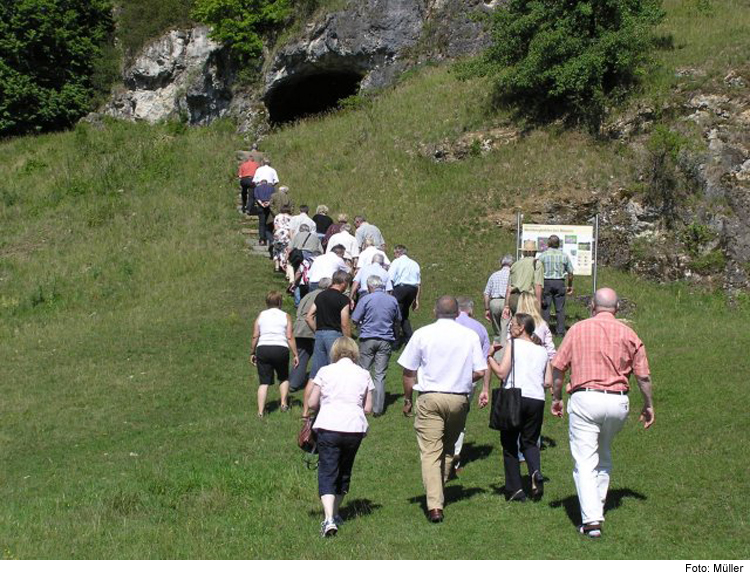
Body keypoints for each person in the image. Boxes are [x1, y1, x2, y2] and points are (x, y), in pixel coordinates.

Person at [550, 287, 654, 538]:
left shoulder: (577, 330)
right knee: (603, 454)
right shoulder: (629, 334)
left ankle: (592, 520)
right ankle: (596, 504)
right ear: (617, 309)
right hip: (617, 402)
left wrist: (556, 397)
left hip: (586, 397)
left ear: (592, 307)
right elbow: (643, 375)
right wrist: (648, 403)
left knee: (585, 460)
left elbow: (558, 367)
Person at [398, 296, 487, 523]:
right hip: (458, 398)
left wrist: (407, 399)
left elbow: (409, 371)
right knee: (448, 448)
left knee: (430, 451)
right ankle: (437, 493)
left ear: (435, 311)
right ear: (457, 313)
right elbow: (480, 370)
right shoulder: (469, 336)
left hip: (430, 397)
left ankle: (435, 504)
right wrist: (461, 378)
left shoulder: (423, 334)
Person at [305, 336, 374, 537]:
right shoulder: (364, 374)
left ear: (334, 352)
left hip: (329, 426)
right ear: (354, 353)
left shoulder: (325, 371)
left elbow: (311, 402)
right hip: (354, 428)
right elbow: (368, 408)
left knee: (327, 470)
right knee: (344, 470)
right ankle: (335, 514)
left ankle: (328, 519)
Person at [485, 313, 551, 502]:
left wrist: (489, 357)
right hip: (537, 399)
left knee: (509, 443)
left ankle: (515, 489)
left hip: (515, 397)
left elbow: (501, 372)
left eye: (512, 325)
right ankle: (535, 471)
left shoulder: (513, 345)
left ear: (521, 327)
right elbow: (547, 381)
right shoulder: (542, 351)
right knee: (530, 442)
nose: (509, 328)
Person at [351, 275, 401, 417]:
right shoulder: (392, 300)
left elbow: (355, 319)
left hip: (368, 338)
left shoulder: (366, 299)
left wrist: (360, 325)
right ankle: (378, 409)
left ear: (370, 286)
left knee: (363, 371)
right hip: (385, 339)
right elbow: (398, 319)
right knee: (380, 374)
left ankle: (361, 404)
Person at [451, 296, 492, 473]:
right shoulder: (480, 328)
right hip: (470, 379)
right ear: (471, 310)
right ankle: (455, 456)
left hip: (445, 378)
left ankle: (442, 453)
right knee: (460, 419)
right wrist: (485, 388)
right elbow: (485, 361)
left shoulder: (446, 325)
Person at [250, 291, 299, 417]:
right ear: (279, 302)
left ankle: (260, 412)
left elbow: (255, 335)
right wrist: (295, 354)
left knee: (264, 382)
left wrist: (252, 352)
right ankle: (283, 403)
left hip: (263, 348)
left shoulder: (261, 315)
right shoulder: (286, 316)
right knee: (283, 377)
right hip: (280, 348)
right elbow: (289, 336)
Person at [305, 270, 352, 381]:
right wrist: (348, 340)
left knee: (316, 372)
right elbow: (344, 324)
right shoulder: (343, 299)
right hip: (334, 335)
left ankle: (311, 397)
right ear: (344, 283)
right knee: (335, 369)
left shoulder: (320, 295)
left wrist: (317, 330)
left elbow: (309, 317)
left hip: (319, 335)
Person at [290, 277, 331, 392]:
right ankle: (320, 384)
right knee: (321, 357)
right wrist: (317, 330)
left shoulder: (308, 294)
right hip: (311, 328)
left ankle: (293, 383)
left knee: (300, 356)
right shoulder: (323, 296)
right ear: (328, 287)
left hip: (298, 328)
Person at [537, 235, 575, 336]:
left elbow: (537, 270)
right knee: (560, 309)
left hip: (547, 282)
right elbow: (570, 273)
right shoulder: (564, 255)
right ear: (559, 244)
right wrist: (570, 285)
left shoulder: (543, 256)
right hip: (560, 282)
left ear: (548, 243)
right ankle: (560, 331)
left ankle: (545, 331)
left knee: (545, 308)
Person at [502, 240, 544, 322]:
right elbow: (537, 285)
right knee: (529, 325)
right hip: (527, 299)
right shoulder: (537, 264)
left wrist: (506, 305)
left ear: (523, 253)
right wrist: (538, 305)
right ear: (535, 252)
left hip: (514, 299)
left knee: (517, 324)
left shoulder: (515, 265)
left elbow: (509, 288)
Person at [388, 244, 421, 348]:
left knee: (396, 314)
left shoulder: (396, 262)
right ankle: (409, 337)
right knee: (404, 313)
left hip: (401, 288)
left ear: (398, 252)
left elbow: (390, 278)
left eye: (394, 253)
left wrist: (388, 293)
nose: (394, 255)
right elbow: (418, 283)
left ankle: (396, 341)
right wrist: (416, 299)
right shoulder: (414, 263)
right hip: (412, 290)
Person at [516, 292, 555, 360]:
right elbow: (550, 349)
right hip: (539, 360)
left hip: (519, 360)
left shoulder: (514, 324)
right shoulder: (542, 324)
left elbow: (508, 343)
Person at [483, 254, 513, 343]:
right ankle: (505, 348)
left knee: (497, 331)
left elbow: (486, 293)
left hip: (494, 303)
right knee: (506, 329)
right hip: (506, 302)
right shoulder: (512, 275)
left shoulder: (494, 275)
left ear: (501, 263)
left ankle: (496, 346)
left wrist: (487, 309)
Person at [272, 203, 293, 273]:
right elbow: (291, 229)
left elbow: (275, 227)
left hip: (278, 234)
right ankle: (285, 266)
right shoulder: (291, 218)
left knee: (276, 250)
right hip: (286, 235)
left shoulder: (277, 216)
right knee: (285, 251)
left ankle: (277, 266)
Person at [253, 181, 274, 246]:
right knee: (268, 223)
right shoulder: (271, 188)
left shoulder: (257, 188)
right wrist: (268, 203)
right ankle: (269, 239)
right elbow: (273, 197)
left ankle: (262, 239)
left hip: (260, 207)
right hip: (268, 207)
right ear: (267, 182)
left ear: (261, 182)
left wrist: (262, 204)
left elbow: (257, 197)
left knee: (261, 223)